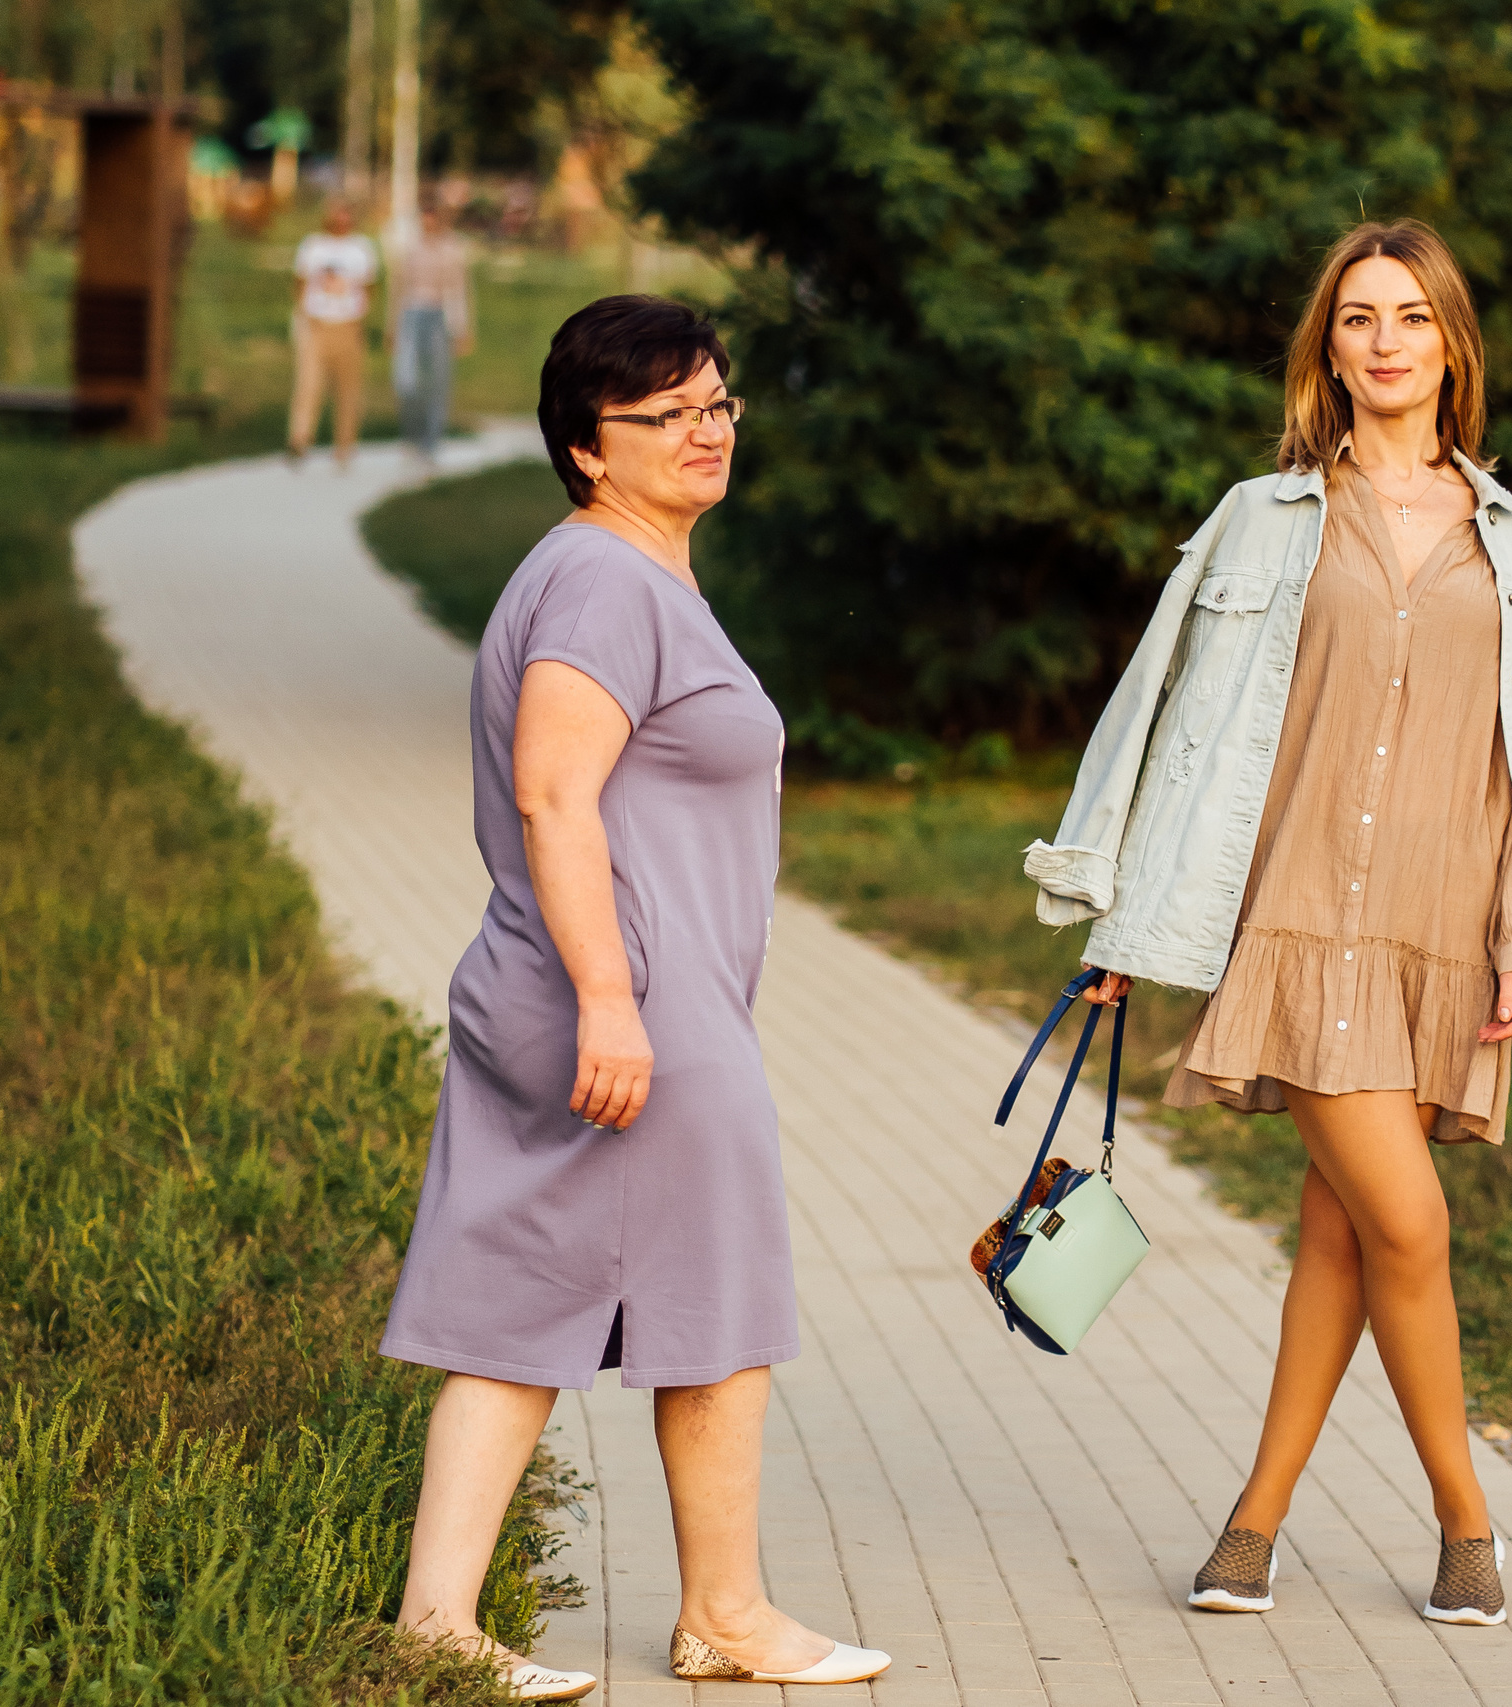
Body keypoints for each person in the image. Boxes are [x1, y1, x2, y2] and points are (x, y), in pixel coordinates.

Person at [1024, 220, 1512, 1627]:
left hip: (1437, 927)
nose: (1384, 340)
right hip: (1294, 912)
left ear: (1452, 342)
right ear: (1325, 350)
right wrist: (1115, 912)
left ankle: (1254, 1521)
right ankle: (1468, 1519)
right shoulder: (1261, 516)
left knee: (1346, 1233)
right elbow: (1167, 718)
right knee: (1412, 1219)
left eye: (1410, 316)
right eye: (1356, 319)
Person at [377, 296, 891, 1698]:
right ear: (587, 447)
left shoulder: (621, 570)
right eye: (665, 414)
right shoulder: (605, 581)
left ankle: (436, 1619)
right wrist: (615, 1000)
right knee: (719, 1306)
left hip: (574, 986)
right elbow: (554, 787)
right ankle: (726, 1608)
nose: (705, 431)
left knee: (516, 1302)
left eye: (718, 402)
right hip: (629, 999)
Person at [288, 198, 378, 468]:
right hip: (317, 323)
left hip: (348, 324)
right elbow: (300, 283)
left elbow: (370, 286)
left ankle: (345, 444)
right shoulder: (313, 246)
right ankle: (300, 437)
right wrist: (304, 316)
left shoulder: (362, 248)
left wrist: (361, 316)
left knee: (348, 389)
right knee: (309, 384)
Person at [392, 199, 474, 464]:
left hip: (439, 315)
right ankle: (411, 436)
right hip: (411, 314)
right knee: (407, 380)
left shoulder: (452, 248)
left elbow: (459, 290)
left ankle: (431, 443)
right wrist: (392, 325)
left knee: (438, 382)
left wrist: (462, 328)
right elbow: (398, 288)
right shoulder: (409, 247)